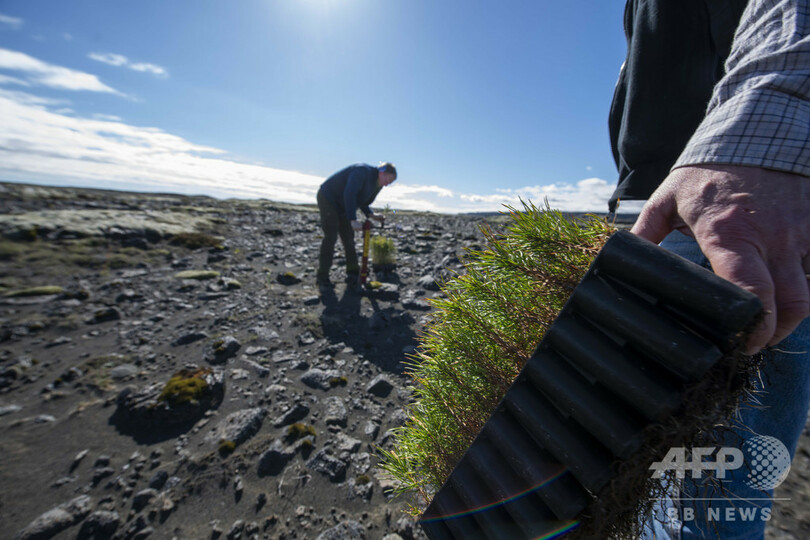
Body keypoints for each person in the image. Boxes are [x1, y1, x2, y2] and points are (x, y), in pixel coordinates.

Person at [609, 0, 810, 537]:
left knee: (710, 492)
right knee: (630, 461)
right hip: (665, 204)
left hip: (732, 204)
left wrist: (774, 114)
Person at [316, 162, 397, 287]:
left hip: (343, 205)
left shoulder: (377, 185)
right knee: (331, 236)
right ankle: (322, 276)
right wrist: (352, 219)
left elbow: (362, 201)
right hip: (329, 198)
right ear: (382, 172)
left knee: (348, 237)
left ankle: (353, 270)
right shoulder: (362, 171)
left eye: (390, 183)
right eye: (387, 179)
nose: (387, 184)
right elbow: (350, 193)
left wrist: (372, 215)